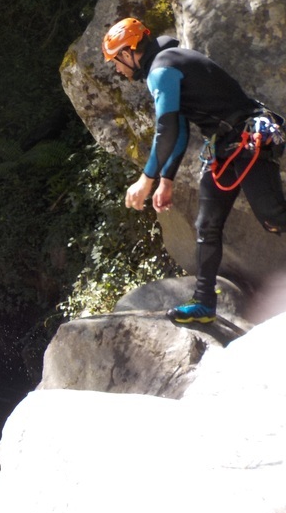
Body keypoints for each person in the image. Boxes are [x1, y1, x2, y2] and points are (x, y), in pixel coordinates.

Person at [102, 17, 286, 324]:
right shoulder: (166, 63)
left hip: (247, 137)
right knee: (206, 225)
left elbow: (166, 128)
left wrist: (146, 179)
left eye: (115, 62)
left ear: (127, 53)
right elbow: (181, 129)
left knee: (273, 215)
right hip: (226, 145)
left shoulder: (161, 69)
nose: (117, 71)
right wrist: (166, 180)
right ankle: (203, 303)